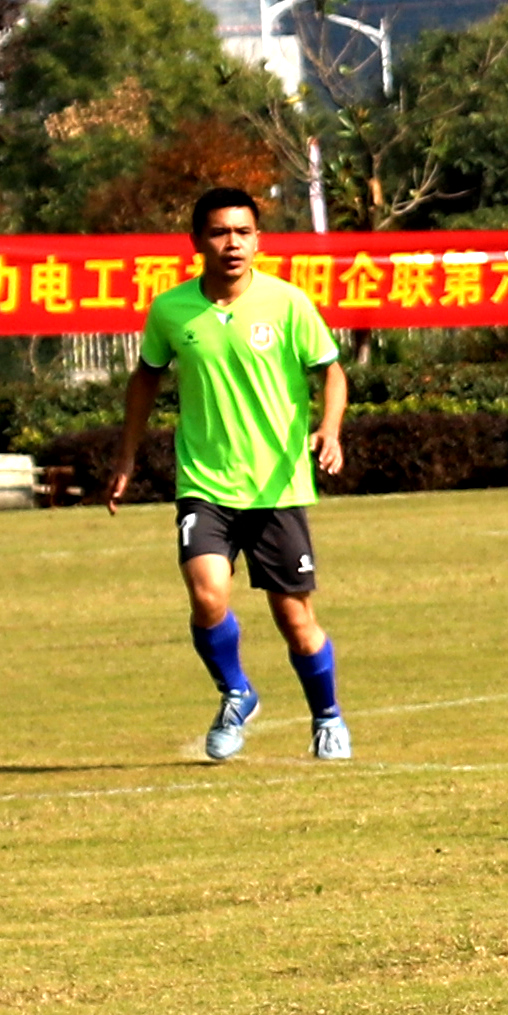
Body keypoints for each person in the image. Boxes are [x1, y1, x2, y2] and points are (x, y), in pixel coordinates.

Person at [104, 184, 354, 764]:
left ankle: (328, 717)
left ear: (258, 239)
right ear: (197, 242)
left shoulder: (288, 304)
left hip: (277, 486)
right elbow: (145, 378)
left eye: (243, 232)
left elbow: (332, 372)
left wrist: (330, 429)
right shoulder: (170, 311)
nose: (232, 243)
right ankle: (237, 691)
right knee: (207, 593)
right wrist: (126, 457)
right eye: (219, 232)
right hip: (205, 483)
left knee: (296, 619)